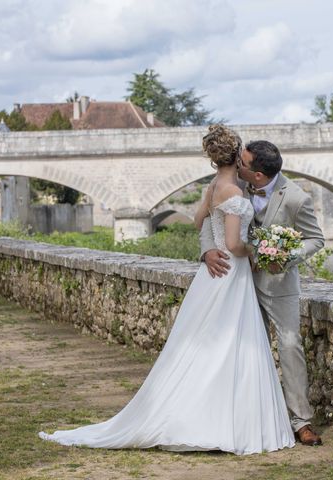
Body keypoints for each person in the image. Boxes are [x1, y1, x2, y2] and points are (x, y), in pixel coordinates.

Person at [39, 125, 295, 455]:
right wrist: (258, 249)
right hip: (231, 273)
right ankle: (220, 421)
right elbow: (233, 244)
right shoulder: (233, 192)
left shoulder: (215, 186)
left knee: (207, 345)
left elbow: (197, 220)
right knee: (230, 344)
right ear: (236, 155)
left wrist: (213, 245)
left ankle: (203, 414)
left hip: (212, 279)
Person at [199, 139, 325, 446]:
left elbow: (315, 239)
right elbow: (208, 218)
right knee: (238, 347)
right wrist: (206, 252)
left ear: (258, 175)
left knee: (290, 345)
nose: (235, 164)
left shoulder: (296, 198)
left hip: (278, 285)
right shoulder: (229, 185)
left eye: (242, 163)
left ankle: (300, 421)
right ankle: (237, 417)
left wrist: (283, 258)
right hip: (235, 281)